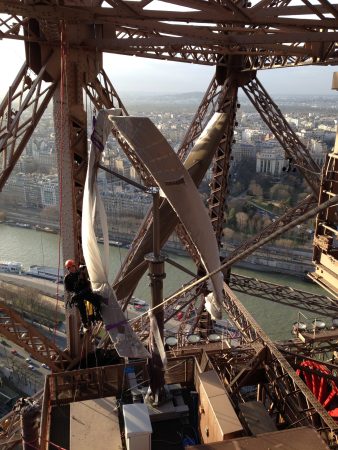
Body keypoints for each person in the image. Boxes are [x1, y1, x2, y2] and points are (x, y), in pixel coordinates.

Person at [64, 260, 102, 331]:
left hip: (84, 292)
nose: (72, 269)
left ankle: (97, 315)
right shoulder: (67, 278)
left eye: (72, 267)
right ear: (68, 269)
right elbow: (68, 290)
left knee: (96, 299)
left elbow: (87, 285)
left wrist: (83, 291)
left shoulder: (81, 274)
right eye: (70, 268)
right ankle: (85, 323)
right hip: (77, 295)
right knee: (81, 307)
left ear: (74, 266)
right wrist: (74, 295)